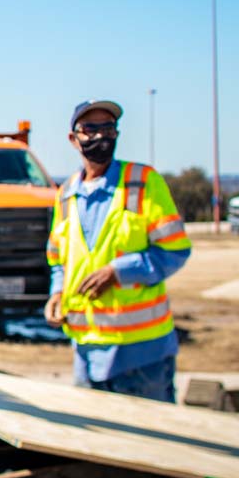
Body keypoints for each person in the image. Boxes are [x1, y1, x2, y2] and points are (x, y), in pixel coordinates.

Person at [44, 100, 192, 401]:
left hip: (141, 354)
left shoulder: (143, 183)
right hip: (87, 352)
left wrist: (118, 272)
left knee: (149, 443)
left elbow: (175, 251)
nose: (101, 137)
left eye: (108, 128)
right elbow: (58, 259)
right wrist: (57, 292)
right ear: (73, 139)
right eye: (91, 129)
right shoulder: (66, 194)